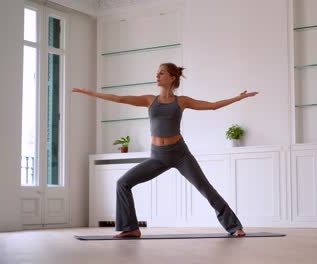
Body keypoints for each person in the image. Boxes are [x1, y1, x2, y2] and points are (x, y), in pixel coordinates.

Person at [72, 62, 258, 238]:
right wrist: (91, 93)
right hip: (157, 156)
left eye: (161, 72)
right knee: (123, 183)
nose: (157, 75)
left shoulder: (182, 101)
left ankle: (234, 227)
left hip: (180, 154)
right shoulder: (149, 100)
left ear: (172, 77)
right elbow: (119, 98)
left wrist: (239, 97)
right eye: (157, 72)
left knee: (205, 188)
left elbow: (212, 106)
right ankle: (130, 228)